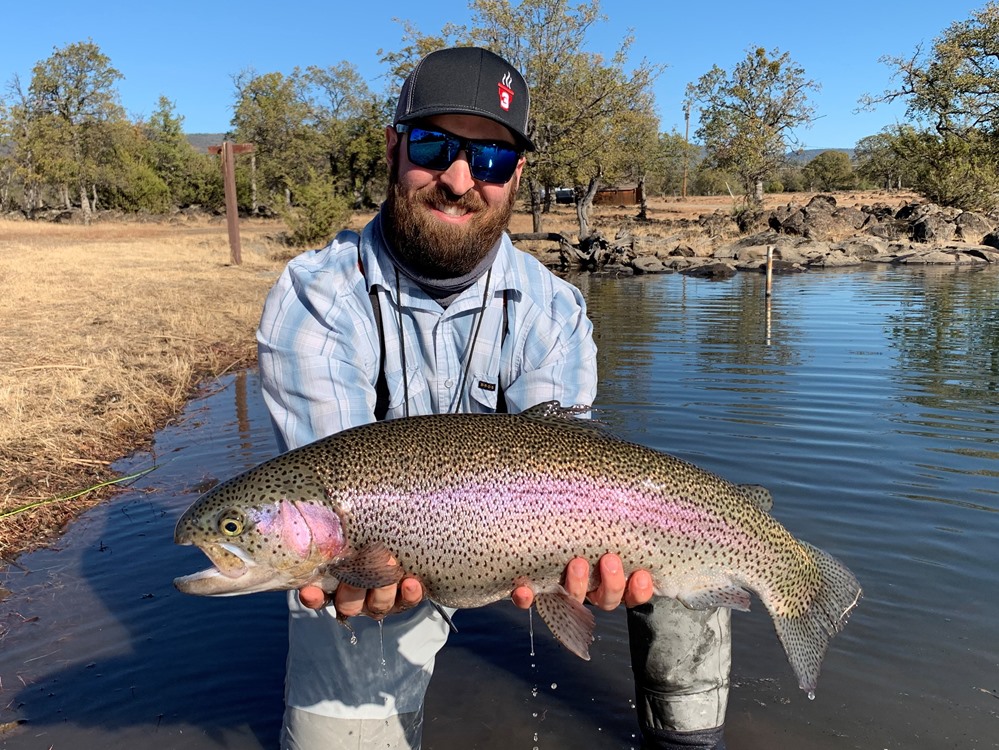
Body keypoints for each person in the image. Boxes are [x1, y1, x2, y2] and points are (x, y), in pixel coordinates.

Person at [257, 46, 730, 750]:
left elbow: (567, 466)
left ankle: (688, 742)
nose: (457, 179)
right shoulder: (316, 298)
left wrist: (574, 580)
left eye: (490, 160)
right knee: (337, 655)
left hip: (524, 541)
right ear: (392, 149)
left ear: (515, 176)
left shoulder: (553, 310)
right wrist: (352, 568)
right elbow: (327, 504)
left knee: (700, 549)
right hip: (388, 562)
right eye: (432, 146)